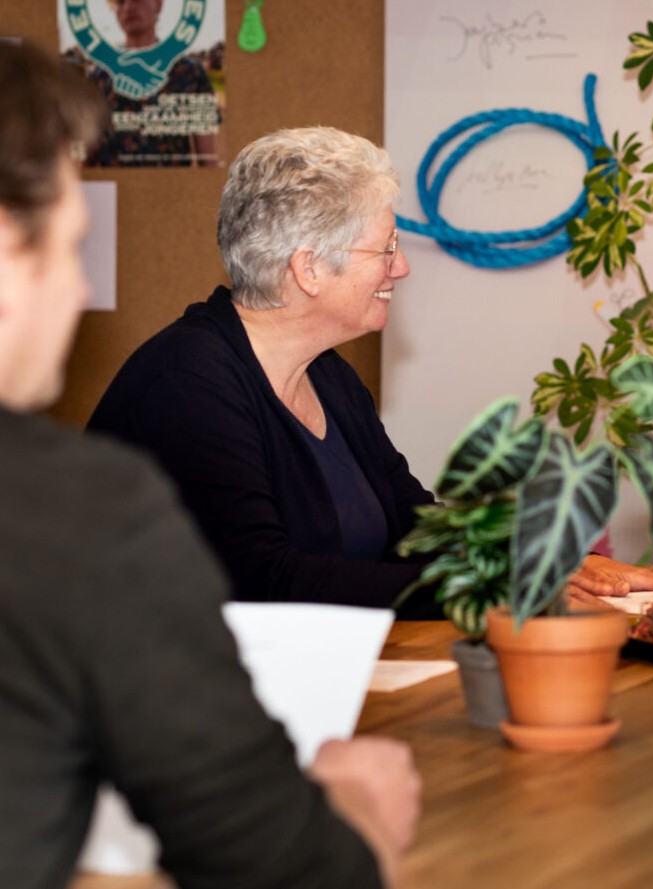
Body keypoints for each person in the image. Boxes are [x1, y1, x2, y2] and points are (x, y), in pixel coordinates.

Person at [0, 41, 417, 888]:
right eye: (68, 249)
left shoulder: (331, 379)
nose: (82, 294)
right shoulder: (101, 470)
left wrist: (506, 556)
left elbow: (415, 522)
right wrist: (355, 811)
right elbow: (277, 858)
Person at [88, 125, 653, 615]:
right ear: (310, 269)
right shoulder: (187, 384)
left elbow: (415, 529)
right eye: (386, 248)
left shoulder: (328, 375)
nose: (403, 267)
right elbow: (265, 581)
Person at [71, 0, 222, 167]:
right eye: (120, 2)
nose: (128, 7)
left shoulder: (190, 73)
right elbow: (83, 155)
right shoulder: (98, 78)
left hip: (170, 190)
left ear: (158, 4)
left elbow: (207, 158)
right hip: (112, 192)